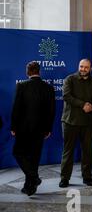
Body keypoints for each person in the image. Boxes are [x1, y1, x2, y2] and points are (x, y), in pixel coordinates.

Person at [10, 61, 55, 196]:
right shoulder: (48, 87)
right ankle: (30, 187)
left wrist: (13, 126)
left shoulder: (21, 86)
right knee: (34, 158)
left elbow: (16, 108)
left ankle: (33, 179)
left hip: (23, 129)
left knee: (18, 153)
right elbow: (51, 111)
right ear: (39, 71)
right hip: (40, 129)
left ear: (27, 72)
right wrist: (48, 129)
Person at [60, 59, 92, 188]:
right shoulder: (69, 79)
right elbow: (66, 96)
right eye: (81, 66)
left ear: (91, 68)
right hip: (70, 121)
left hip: (88, 123)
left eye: (86, 67)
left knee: (88, 152)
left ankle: (87, 177)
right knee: (68, 151)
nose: (83, 69)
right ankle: (64, 178)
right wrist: (83, 104)